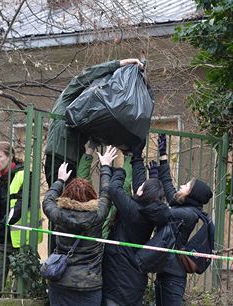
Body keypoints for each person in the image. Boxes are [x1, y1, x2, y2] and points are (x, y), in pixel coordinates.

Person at [44, 58, 144, 187]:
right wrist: (118, 64)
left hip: (76, 160)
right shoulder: (67, 98)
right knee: (60, 198)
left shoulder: (87, 110)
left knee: (76, 199)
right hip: (58, 156)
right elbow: (87, 75)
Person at [42, 146, 117, 306]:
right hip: (89, 284)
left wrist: (60, 180)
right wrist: (105, 167)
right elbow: (106, 193)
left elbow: (47, 200)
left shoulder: (58, 214)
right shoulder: (97, 215)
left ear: (67, 194)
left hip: (60, 280)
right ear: (91, 195)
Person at [101, 143, 171, 306]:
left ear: (143, 193)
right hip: (134, 280)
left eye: (141, 187)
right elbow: (140, 183)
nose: (138, 185)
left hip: (119, 282)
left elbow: (114, 188)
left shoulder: (134, 211)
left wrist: (115, 169)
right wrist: (137, 158)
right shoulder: (151, 210)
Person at [0, 141, 41, 297]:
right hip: (1, 241)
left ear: (10, 156)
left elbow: (21, 205)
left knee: (20, 291)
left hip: (23, 241)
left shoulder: (26, 175)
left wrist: (3, 224)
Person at [154, 134, 213, 306]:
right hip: (165, 271)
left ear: (192, 194)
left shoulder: (188, 214)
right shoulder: (184, 206)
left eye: (186, 186)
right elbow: (168, 186)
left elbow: (159, 212)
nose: (181, 186)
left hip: (173, 276)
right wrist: (163, 157)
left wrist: (150, 190)